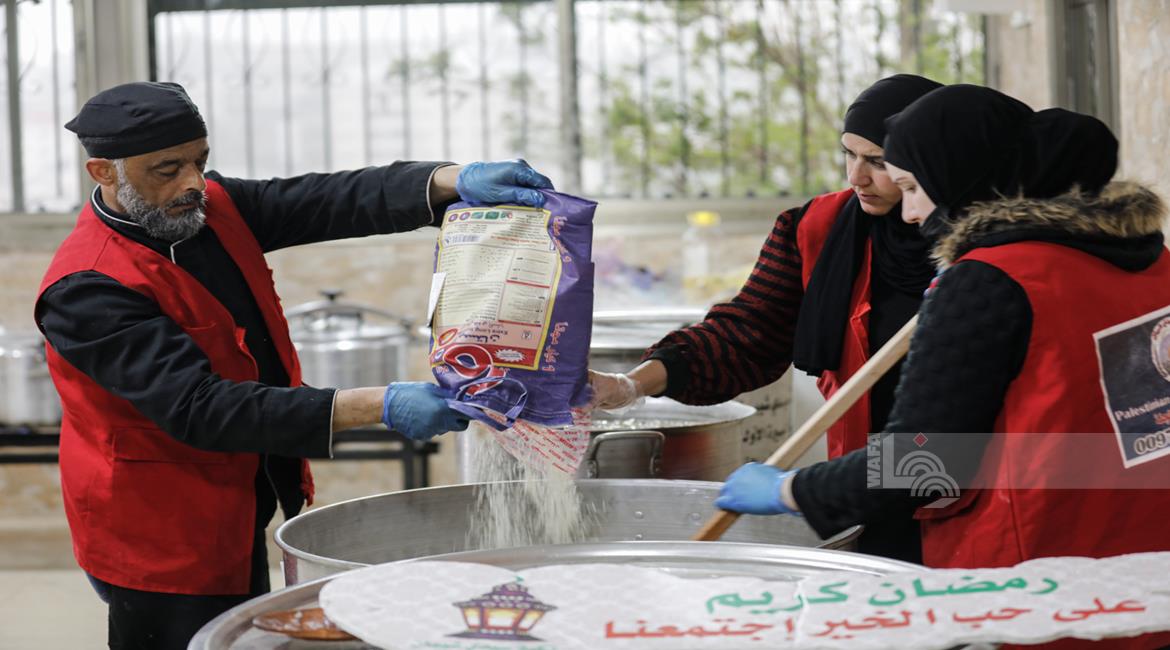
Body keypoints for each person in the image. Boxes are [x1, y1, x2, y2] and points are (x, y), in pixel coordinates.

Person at [34, 81, 555, 649]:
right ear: (103, 172)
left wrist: (449, 180)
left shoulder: (209, 208)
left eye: (200, 161)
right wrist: (378, 405)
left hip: (235, 492)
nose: (193, 183)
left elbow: (329, 199)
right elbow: (201, 408)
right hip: (157, 520)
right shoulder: (87, 288)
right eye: (168, 169)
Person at [715, 85, 1170, 649]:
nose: (911, 213)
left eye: (912, 186)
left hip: (1030, 589)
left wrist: (791, 490)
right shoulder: (1148, 259)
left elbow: (925, 462)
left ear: (963, 175)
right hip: (1145, 571)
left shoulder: (992, 279)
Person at [589, 74, 942, 563]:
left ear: (927, 161)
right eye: (848, 154)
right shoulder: (818, 229)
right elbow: (747, 332)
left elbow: (968, 436)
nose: (856, 177)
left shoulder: (979, 258)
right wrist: (628, 385)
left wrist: (798, 490)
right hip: (864, 488)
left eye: (879, 162)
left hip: (966, 485)